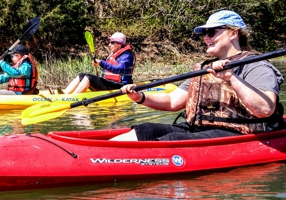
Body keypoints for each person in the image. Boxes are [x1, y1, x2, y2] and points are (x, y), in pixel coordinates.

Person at [111, 10, 285, 141]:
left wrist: (231, 77)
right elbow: (173, 102)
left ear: (233, 33)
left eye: (212, 32)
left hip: (240, 133)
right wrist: (140, 97)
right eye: (204, 34)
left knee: (172, 141)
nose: (206, 38)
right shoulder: (205, 69)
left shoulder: (256, 65)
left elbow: (264, 109)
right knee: (146, 130)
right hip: (200, 129)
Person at [63, 32, 136, 94]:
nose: (109, 45)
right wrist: (98, 64)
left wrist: (101, 63)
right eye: (110, 42)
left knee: (88, 78)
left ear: (120, 44)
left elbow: (119, 69)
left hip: (120, 86)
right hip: (110, 83)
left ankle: (74, 98)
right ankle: (65, 93)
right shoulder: (114, 54)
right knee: (81, 75)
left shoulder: (126, 56)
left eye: (112, 42)